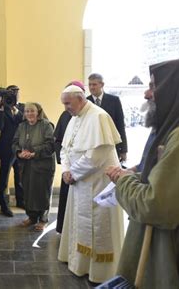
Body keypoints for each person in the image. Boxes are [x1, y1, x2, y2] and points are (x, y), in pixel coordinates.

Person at [105, 59, 179, 289]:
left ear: (178, 89)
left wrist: (124, 180)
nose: (146, 93)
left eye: (153, 86)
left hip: (173, 266)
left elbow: (155, 206)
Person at [57, 85, 124, 284]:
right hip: (79, 182)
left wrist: (73, 173)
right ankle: (81, 264)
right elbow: (64, 148)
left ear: (79, 98)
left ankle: (101, 271)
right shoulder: (75, 118)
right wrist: (66, 170)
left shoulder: (99, 117)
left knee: (99, 225)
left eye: (68, 103)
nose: (66, 107)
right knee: (80, 223)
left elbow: (96, 155)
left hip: (99, 183)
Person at [12, 102, 55, 231]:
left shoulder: (46, 125)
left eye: (32, 111)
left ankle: (43, 219)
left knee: (42, 192)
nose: (29, 113)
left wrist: (34, 153)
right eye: (26, 111)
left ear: (38, 112)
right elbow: (14, 142)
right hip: (26, 165)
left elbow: (50, 145)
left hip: (42, 165)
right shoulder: (21, 126)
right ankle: (31, 217)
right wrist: (20, 152)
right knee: (28, 191)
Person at [53, 80, 85, 234]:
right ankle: (63, 229)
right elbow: (59, 141)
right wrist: (65, 166)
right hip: (68, 170)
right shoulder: (66, 115)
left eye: (68, 102)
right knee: (66, 202)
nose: (66, 107)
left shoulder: (93, 116)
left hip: (84, 171)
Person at [0, 85, 25, 217]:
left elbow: (24, 121)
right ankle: (3, 205)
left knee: (20, 176)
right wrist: (1, 108)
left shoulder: (23, 107)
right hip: (6, 148)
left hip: (20, 146)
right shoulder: (2, 108)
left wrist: (15, 109)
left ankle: (21, 200)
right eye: (11, 93)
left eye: (16, 92)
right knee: (4, 177)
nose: (13, 95)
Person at [87, 73, 128, 162]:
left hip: (111, 145)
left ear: (102, 84)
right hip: (92, 147)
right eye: (89, 84)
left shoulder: (114, 101)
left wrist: (123, 150)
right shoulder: (86, 102)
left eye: (94, 84)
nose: (91, 87)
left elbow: (120, 125)